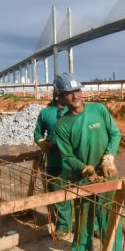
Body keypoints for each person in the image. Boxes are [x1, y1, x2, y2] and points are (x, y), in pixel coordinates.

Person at [53, 72, 123, 251]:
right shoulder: (62, 125)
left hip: (108, 176)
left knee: (111, 219)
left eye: (77, 90)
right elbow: (67, 157)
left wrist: (108, 159)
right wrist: (84, 169)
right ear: (60, 97)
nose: (75, 96)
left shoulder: (98, 110)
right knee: (84, 224)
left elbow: (114, 134)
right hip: (84, 181)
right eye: (68, 93)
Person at [33, 89, 71, 235]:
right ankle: (64, 224)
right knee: (59, 194)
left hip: (77, 160)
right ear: (57, 95)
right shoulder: (46, 113)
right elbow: (37, 132)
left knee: (84, 194)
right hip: (55, 160)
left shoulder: (74, 110)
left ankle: (90, 225)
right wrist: (42, 142)